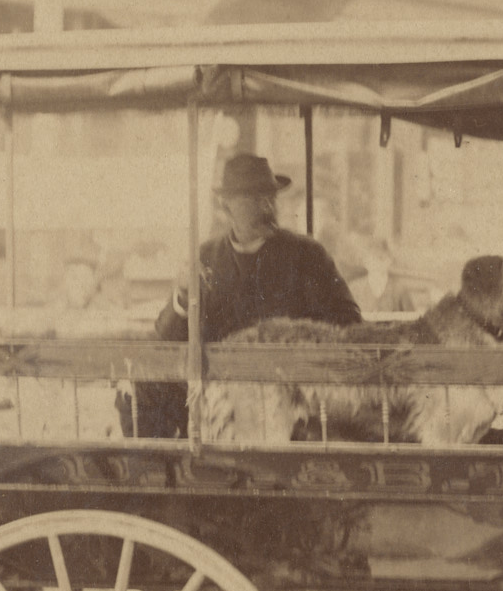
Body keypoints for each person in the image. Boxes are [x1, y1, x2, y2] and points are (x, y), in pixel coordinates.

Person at [130, 150, 363, 435]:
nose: (267, 207)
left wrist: (298, 342)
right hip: (219, 396)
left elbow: (349, 322)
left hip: (291, 396)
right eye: (254, 198)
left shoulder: (306, 256)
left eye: (270, 197)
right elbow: (166, 338)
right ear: (225, 206)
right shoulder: (206, 257)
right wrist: (182, 295)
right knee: (140, 388)